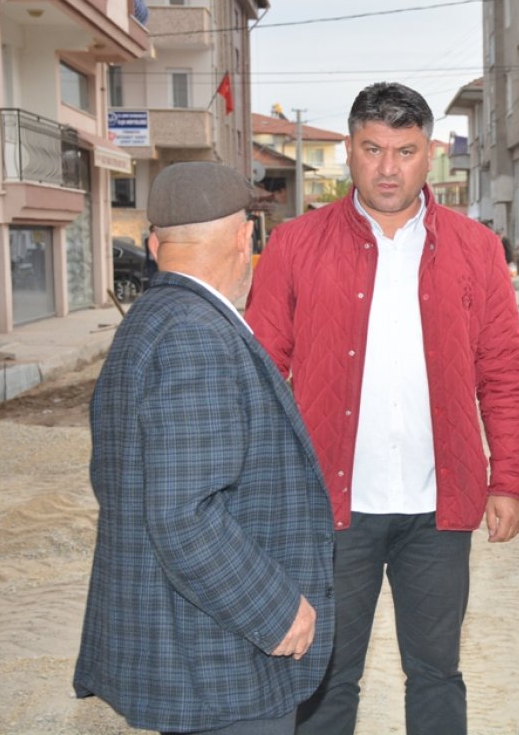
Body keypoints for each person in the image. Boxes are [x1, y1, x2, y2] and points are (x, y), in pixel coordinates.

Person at [245, 82, 519, 735]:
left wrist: (509, 479)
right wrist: (261, 492)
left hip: (438, 508)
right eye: (373, 149)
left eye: (405, 151)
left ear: (430, 153)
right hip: (331, 508)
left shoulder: (476, 249)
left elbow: (503, 374)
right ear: (350, 150)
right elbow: (260, 378)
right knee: (325, 678)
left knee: (436, 675)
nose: (388, 168)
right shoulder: (295, 244)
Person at [73, 162, 335, 735]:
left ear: (154, 245)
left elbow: (117, 478)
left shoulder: (149, 320)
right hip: (220, 660)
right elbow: (184, 514)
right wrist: (274, 609)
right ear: (245, 239)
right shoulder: (197, 335)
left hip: (190, 645)